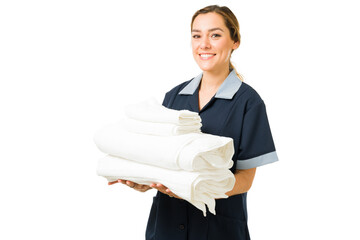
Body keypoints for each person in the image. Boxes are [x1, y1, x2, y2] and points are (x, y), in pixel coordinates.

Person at [109, 5, 278, 240]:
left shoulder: (248, 102)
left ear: (235, 41)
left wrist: (195, 189)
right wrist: (145, 181)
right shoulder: (174, 97)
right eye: (197, 35)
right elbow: (160, 162)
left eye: (215, 35)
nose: (204, 44)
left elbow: (245, 180)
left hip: (218, 231)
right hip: (166, 229)